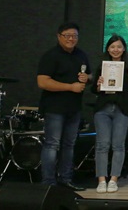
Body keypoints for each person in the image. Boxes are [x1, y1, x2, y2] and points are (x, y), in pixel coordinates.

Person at [37, 22, 90, 191]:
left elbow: (89, 75)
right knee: (52, 145)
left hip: (74, 108)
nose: (71, 39)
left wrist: (87, 78)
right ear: (59, 36)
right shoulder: (50, 56)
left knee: (69, 145)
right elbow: (42, 82)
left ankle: (65, 179)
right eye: (67, 35)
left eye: (74, 36)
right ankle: (48, 183)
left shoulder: (81, 55)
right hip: (54, 108)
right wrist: (70, 87)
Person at [92, 34, 128, 193]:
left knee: (118, 145)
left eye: (119, 46)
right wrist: (99, 85)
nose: (116, 50)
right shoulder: (102, 66)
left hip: (121, 109)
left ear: (124, 48)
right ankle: (101, 180)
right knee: (102, 145)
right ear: (108, 49)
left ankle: (113, 179)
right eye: (112, 47)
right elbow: (94, 90)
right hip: (103, 110)